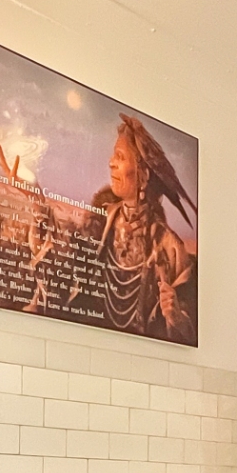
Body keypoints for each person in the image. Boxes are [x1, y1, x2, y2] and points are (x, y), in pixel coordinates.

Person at [91, 115, 197, 343]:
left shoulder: (170, 247)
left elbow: (189, 334)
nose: (111, 163)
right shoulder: (100, 223)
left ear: (144, 176)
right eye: (113, 155)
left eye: (120, 157)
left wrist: (176, 317)